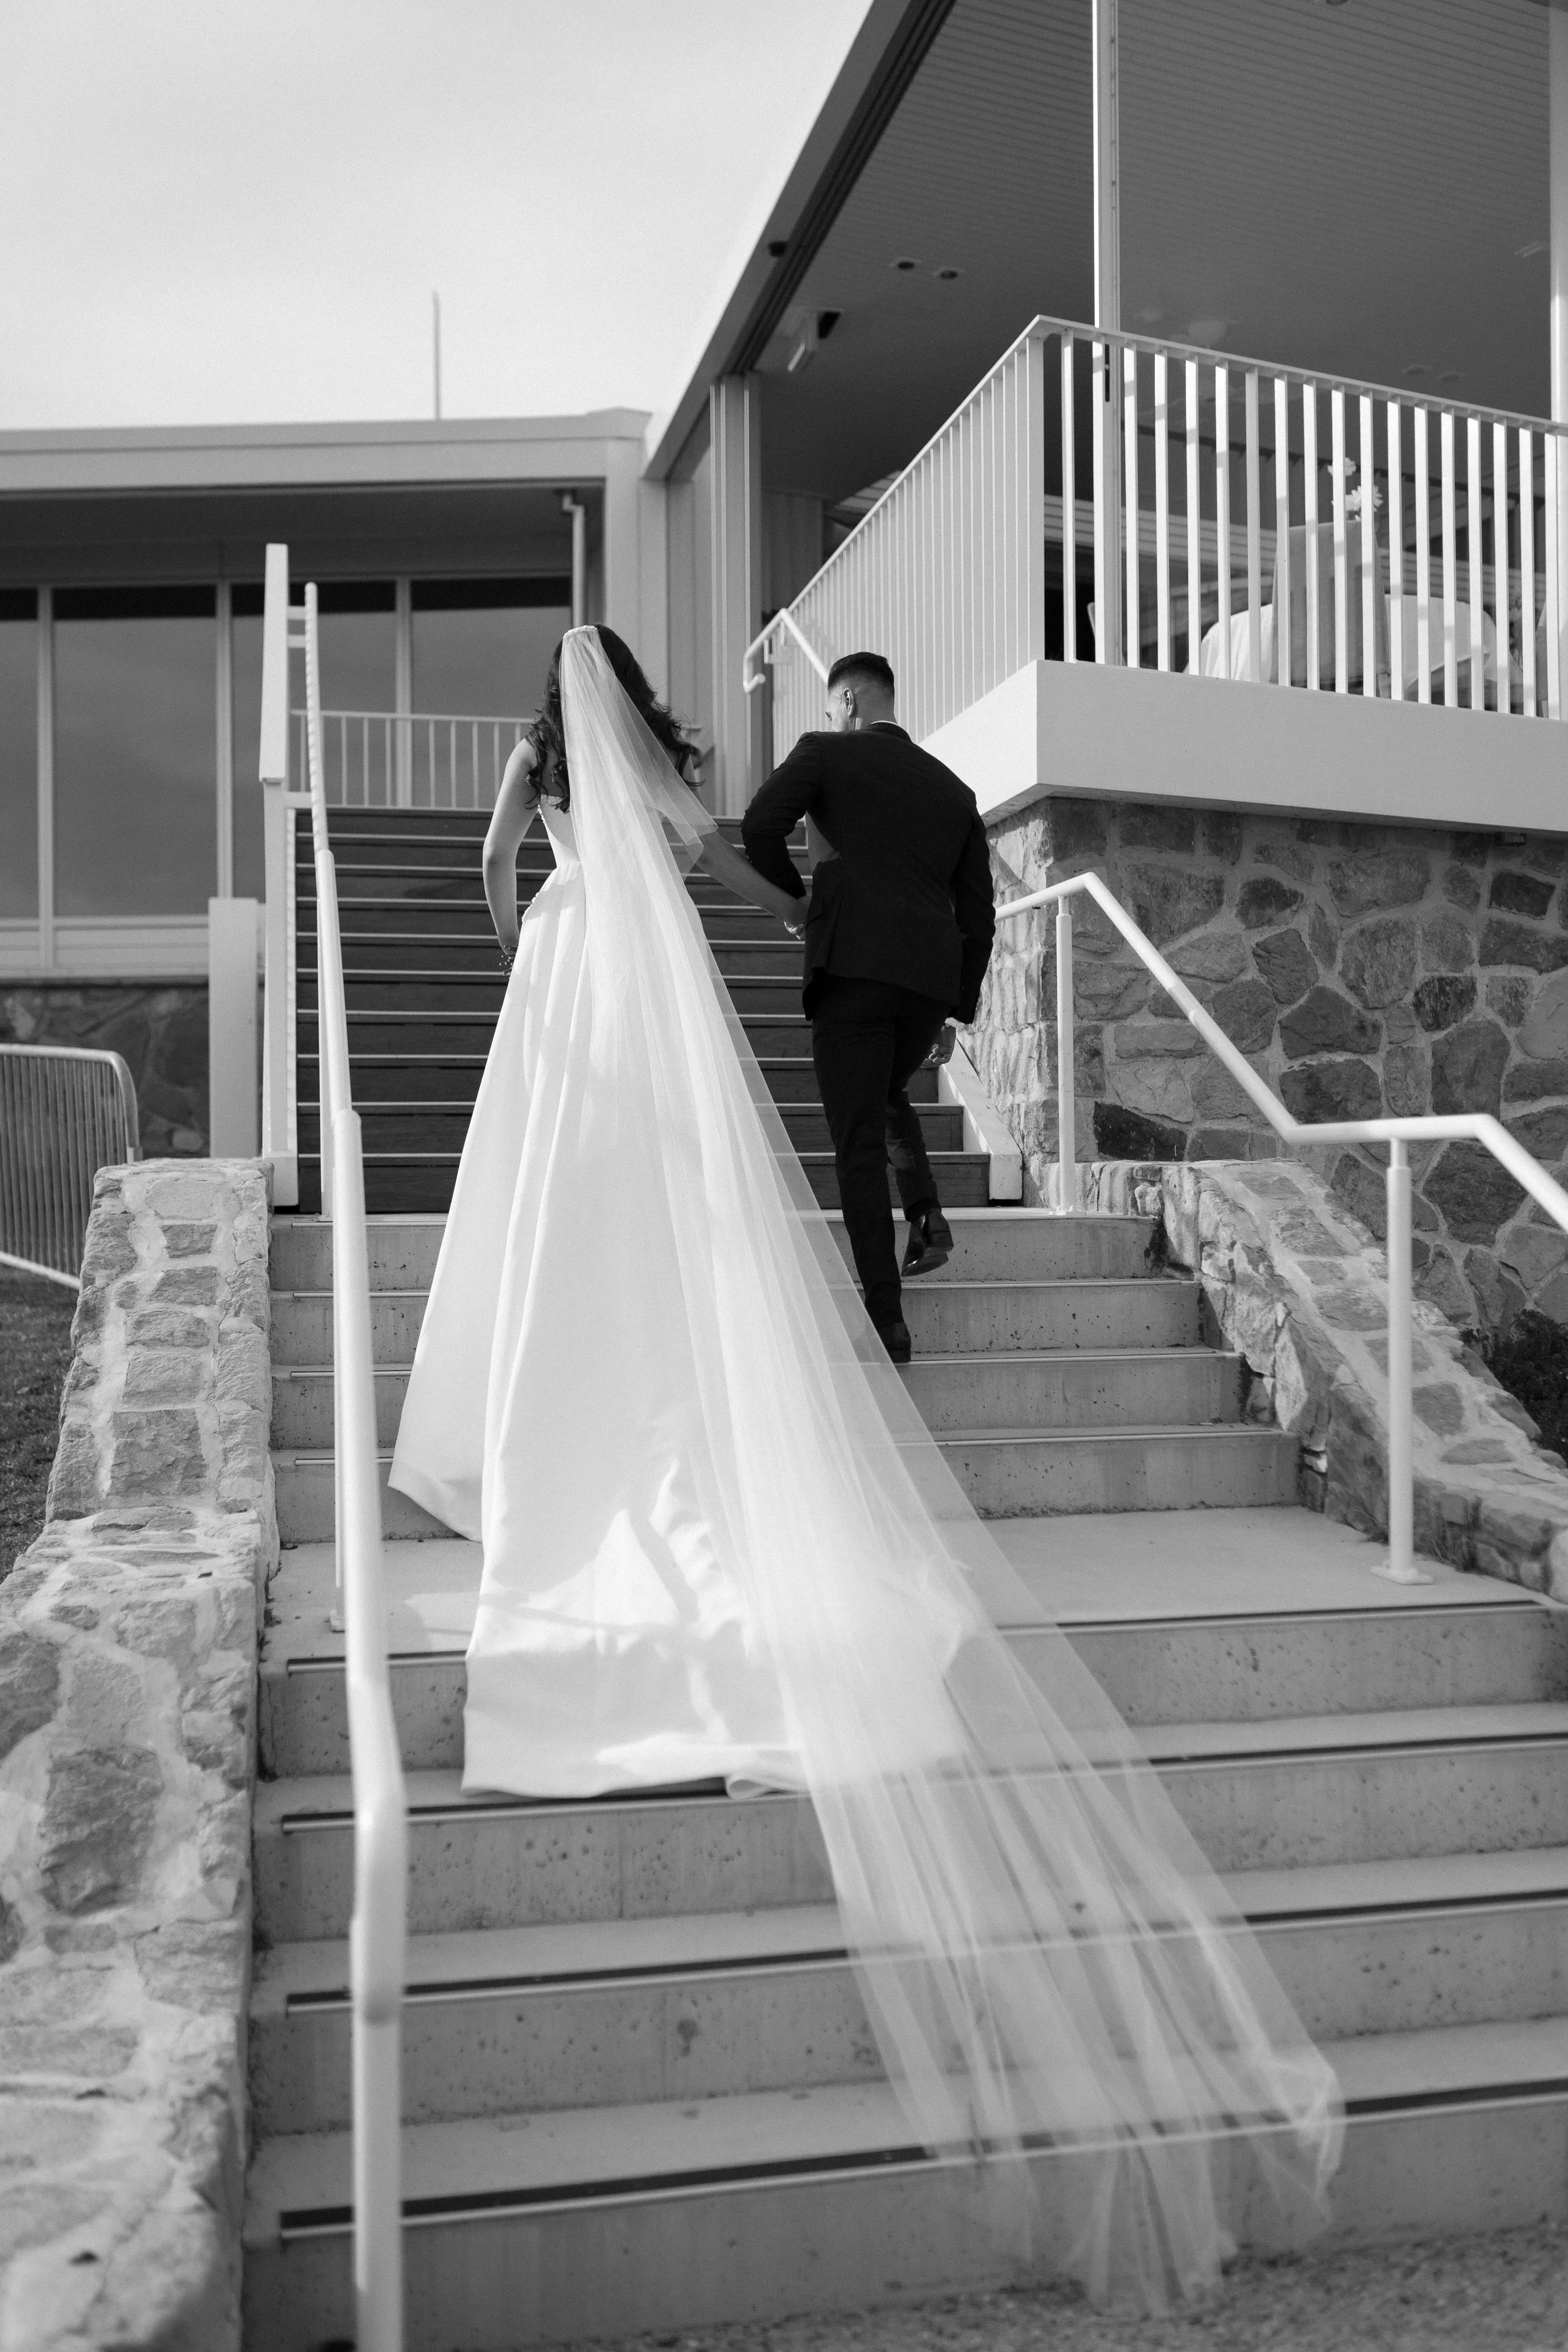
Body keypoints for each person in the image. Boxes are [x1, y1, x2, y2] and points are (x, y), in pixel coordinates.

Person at [390, 625, 1340, 2314]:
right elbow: (743, 883)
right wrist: (798, 919)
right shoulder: (673, 787)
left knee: (554, 1218)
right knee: (669, 1235)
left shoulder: (538, 767)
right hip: (653, 977)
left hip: (566, 972)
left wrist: (518, 939)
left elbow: (484, 864)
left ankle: (551, 1441)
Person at [741, 651, 995, 1362]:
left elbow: (760, 823)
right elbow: (981, 915)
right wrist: (956, 1009)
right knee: (885, 1093)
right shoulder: (954, 790)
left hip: (851, 966)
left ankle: (887, 1316)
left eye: (830, 708)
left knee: (855, 1145)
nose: (829, 720)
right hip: (927, 984)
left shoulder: (826, 752)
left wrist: (805, 906)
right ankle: (925, 1213)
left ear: (848, 702)